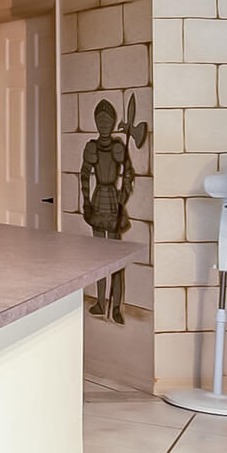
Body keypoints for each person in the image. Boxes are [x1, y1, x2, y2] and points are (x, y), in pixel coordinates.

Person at [79, 98, 136, 323]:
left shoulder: (117, 147)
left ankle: (117, 307)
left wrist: (124, 194)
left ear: (112, 123)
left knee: (115, 258)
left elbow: (128, 172)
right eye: (100, 120)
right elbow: (84, 175)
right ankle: (101, 303)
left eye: (107, 121)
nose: (103, 124)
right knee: (98, 258)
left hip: (112, 200)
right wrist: (86, 201)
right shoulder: (91, 147)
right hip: (98, 200)